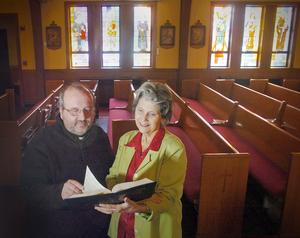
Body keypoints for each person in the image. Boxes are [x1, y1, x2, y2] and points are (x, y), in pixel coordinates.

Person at [21, 82, 114, 238]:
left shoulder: (100, 136)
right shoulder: (42, 143)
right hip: (61, 226)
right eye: (74, 111)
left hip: (100, 225)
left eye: (87, 110)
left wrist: (114, 196)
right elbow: (29, 192)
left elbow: (110, 174)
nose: (82, 117)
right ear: (61, 112)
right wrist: (59, 192)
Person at [95, 82, 187, 238]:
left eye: (152, 114)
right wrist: (111, 198)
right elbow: (113, 175)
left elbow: (169, 195)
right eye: (140, 110)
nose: (143, 119)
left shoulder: (174, 148)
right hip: (122, 223)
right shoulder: (126, 139)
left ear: (163, 116)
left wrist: (139, 207)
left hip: (153, 228)